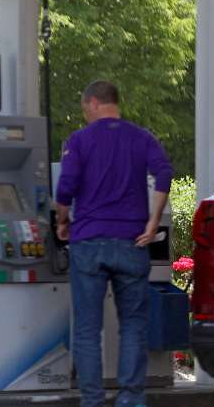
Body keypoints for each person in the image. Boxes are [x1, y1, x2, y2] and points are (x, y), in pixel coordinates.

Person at [55, 80, 173, 407]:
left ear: (93, 103)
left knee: (88, 331)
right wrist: (153, 221)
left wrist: (61, 221)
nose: (85, 115)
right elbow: (164, 173)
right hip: (132, 242)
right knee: (133, 326)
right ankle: (131, 400)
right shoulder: (142, 137)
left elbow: (66, 188)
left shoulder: (79, 141)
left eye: (84, 109)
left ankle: (92, 402)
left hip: (89, 243)